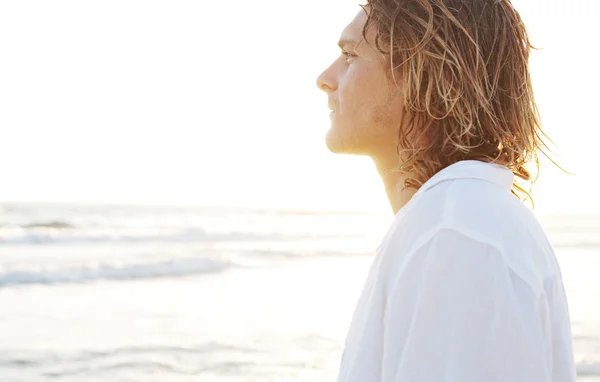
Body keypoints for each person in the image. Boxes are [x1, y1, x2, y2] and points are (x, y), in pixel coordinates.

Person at [316, 1, 576, 381]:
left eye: (350, 55)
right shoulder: (455, 221)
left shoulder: (457, 232)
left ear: (425, 70)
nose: (324, 78)